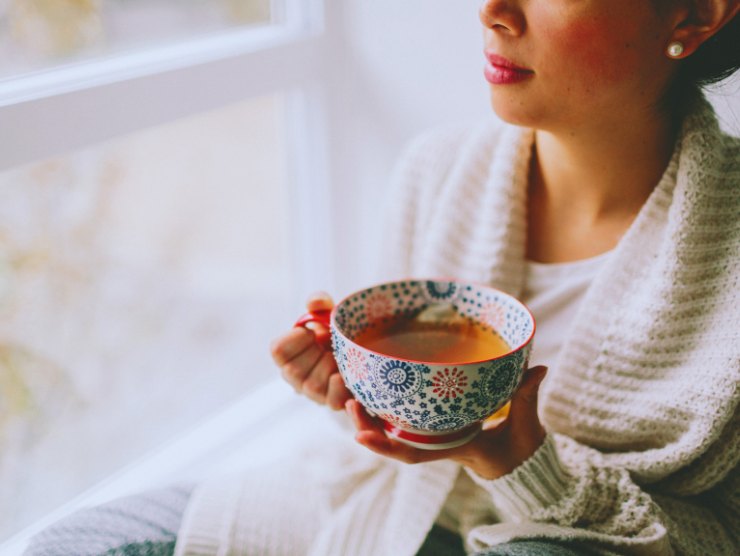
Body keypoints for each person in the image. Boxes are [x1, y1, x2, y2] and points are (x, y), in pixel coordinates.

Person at [24, 1, 739, 555]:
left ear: (696, 14)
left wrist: (518, 459)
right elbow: (402, 429)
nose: (492, 11)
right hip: (393, 503)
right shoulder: (437, 173)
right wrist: (355, 392)